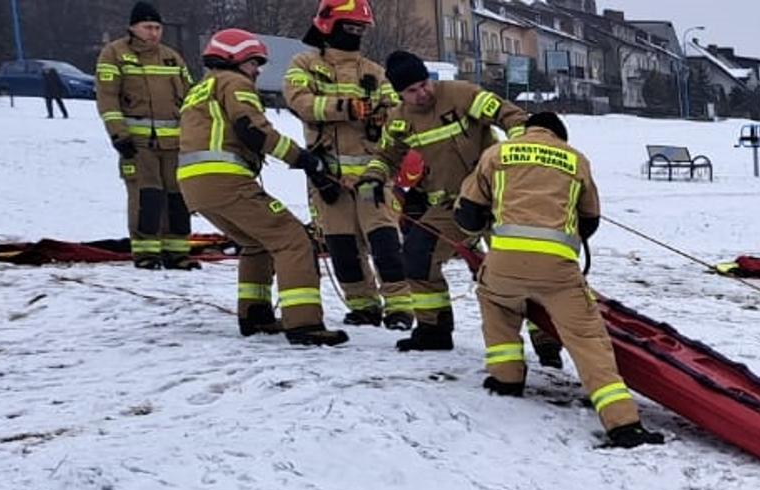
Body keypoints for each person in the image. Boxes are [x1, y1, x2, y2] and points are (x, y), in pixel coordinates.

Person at [452, 112, 664, 449]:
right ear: (558, 137)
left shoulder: (497, 154)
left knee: (495, 303)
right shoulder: (575, 159)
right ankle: (623, 423)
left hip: (504, 263)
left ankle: (506, 378)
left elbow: (467, 214)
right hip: (558, 271)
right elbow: (590, 219)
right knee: (588, 340)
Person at [176, 28, 346, 347]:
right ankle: (305, 323)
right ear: (235, 57)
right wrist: (304, 159)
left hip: (195, 183)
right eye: (254, 63)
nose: (257, 71)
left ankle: (255, 315)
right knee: (292, 239)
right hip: (225, 178)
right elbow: (253, 129)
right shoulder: (234, 83)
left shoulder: (200, 88)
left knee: (256, 242)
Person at [362, 51, 528, 352]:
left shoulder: (463, 94)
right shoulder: (399, 120)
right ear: (399, 94)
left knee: (520, 269)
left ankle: (547, 343)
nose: (422, 93)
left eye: (424, 84)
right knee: (417, 255)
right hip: (454, 206)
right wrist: (373, 177)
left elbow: (512, 117)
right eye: (412, 91)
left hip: (499, 197)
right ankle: (433, 330)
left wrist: (517, 154)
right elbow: (386, 156)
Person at [283, 0, 410, 328]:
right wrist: (347, 108)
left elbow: (397, 110)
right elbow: (300, 102)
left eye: (359, 29)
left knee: (385, 242)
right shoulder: (304, 64)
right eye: (349, 28)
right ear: (328, 26)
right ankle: (363, 305)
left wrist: (384, 114)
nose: (355, 34)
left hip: (372, 175)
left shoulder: (373, 71)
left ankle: (399, 306)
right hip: (330, 177)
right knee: (342, 246)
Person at [95, 2, 196, 270]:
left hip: (174, 144)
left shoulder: (172, 57)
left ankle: (177, 252)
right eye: (147, 27)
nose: (153, 33)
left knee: (178, 198)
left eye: (157, 27)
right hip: (138, 144)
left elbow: (191, 97)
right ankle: (146, 253)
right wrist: (119, 135)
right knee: (147, 197)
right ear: (132, 27)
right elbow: (107, 98)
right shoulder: (115, 54)